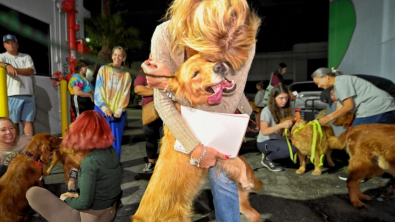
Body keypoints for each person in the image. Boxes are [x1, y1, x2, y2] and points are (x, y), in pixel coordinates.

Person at [140, 0, 261, 221]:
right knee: (172, 181)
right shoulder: (165, 34)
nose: (220, 63)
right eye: (211, 52)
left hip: (224, 120)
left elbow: (223, 108)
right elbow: (163, 103)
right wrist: (195, 148)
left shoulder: (244, 41)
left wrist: (170, 85)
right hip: (181, 120)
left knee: (222, 180)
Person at [26, 110, 121, 222]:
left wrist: (66, 199)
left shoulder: (90, 161)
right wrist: (73, 180)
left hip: (90, 217)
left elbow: (84, 203)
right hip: (109, 212)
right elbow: (83, 173)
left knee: (33, 193)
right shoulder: (111, 151)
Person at [312, 68, 395, 180]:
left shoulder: (341, 82)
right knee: (366, 140)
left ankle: (359, 172)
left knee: (356, 138)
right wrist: (323, 119)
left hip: (377, 108)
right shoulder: (338, 85)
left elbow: (349, 106)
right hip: (378, 107)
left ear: (326, 77)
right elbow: (340, 108)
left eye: (318, 83)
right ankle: (369, 169)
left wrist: (329, 117)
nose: (318, 86)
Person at [94, 46, 132, 160]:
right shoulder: (103, 70)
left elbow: (126, 94)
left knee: (115, 141)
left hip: (117, 115)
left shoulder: (126, 75)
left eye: (120, 55)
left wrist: (119, 110)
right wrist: (105, 108)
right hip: (102, 111)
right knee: (100, 140)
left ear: (123, 58)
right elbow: (98, 90)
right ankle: (100, 166)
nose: (117, 57)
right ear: (112, 56)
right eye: (115, 54)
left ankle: (114, 166)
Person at [0, 34, 36, 136]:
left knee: (28, 121)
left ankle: (29, 148)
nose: (11, 45)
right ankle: (15, 147)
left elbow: (30, 71)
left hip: (29, 94)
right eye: (8, 43)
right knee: (13, 123)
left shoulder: (26, 56)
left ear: (17, 45)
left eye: (13, 42)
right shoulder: (2, 56)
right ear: (4, 45)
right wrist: (7, 65)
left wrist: (14, 69)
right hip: (12, 94)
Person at [256, 84, 297, 172]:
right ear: (274, 98)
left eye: (286, 98)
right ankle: (268, 158)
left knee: (297, 148)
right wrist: (281, 125)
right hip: (265, 142)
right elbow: (264, 131)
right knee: (292, 150)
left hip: (280, 140)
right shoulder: (267, 110)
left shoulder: (289, 109)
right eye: (281, 98)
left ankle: (276, 156)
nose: (284, 101)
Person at [134, 69, 163, 173]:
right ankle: (151, 162)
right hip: (150, 110)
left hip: (167, 110)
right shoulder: (144, 71)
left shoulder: (167, 67)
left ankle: (165, 164)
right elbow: (138, 89)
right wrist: (158, 90)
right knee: (150, 137)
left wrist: (148, 89)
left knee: (167, 140)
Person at [320, 74, 395, 107]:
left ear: (332, 92)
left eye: (333, 100)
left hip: (388, 90)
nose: (336, 102)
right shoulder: (340, 86)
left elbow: (348, 106)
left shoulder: (343, 84)